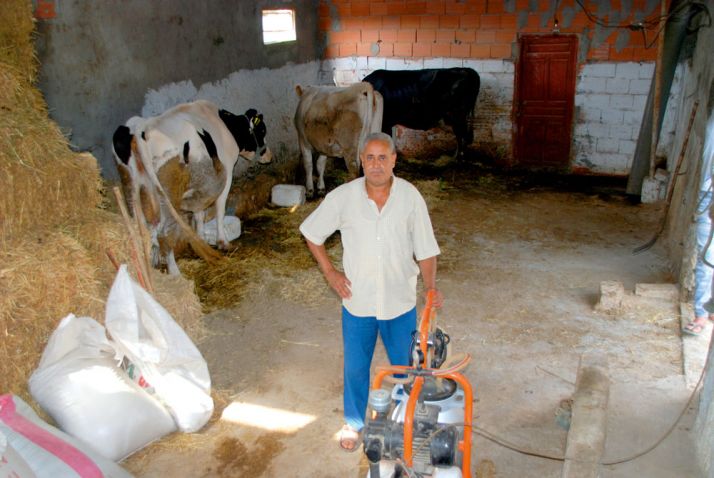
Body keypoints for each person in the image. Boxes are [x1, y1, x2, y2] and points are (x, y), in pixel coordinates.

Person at [299, 132, 444, 452]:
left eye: (383, 158)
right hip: (358, 301)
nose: (376, 164)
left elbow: (426, 249)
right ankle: (353, 423)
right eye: (370, 158)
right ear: (360, 161)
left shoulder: (410, 197)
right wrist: (331, 273)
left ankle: (411, 419)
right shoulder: (343, 197)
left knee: (408, 367)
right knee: (355, 366)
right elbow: (311, 232)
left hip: (399, 301)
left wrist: (431, 289)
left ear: (394, 160)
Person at [684, 115, 714, 335]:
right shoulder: (712, 120)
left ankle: (705, 311)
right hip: (708, 191)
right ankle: (702, 313)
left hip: (708, 192)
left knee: (708, 254)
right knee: (707, 253)